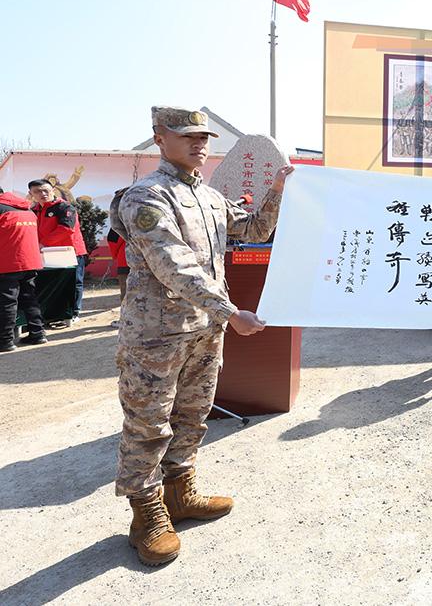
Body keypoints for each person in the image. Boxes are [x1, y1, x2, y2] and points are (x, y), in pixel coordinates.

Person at [110, 106, 294, 566]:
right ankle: (146, 515)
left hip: (204, 331)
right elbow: (174, 266)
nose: (199, 144)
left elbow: (254, 228)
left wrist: (276, 191)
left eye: (204, 137)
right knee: (149, 423)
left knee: (192, 414)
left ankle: (180, 493)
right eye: (187, 135)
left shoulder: (209, 198)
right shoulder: (146, 197)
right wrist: (230, 312)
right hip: (156, 335)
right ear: (160, 138)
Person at [27, 178, 88, 326]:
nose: (43, 194)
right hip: (46, 253)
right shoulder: (34, 210)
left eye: (45, 190)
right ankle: (54, 314)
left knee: (74, 283)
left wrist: (43, 243)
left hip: (70, 252)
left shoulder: (65, 207)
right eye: (37, 191)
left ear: (53, 190)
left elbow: (66, 229)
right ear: (31, 194)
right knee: (52, 283)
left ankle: (73, 313)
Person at [0, 187, 47, 351]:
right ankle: (38, 333)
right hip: (29, 261)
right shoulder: (26, 209)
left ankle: (5, 341)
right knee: (29, 298)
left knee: (7, 302)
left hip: (8, 262)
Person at [106, 225, 129, 328]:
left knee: (126, 293)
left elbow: (112, 240)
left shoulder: (120, 222)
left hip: (125, 260)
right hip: (146, 261)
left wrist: (115, 255)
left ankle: (126, 320)